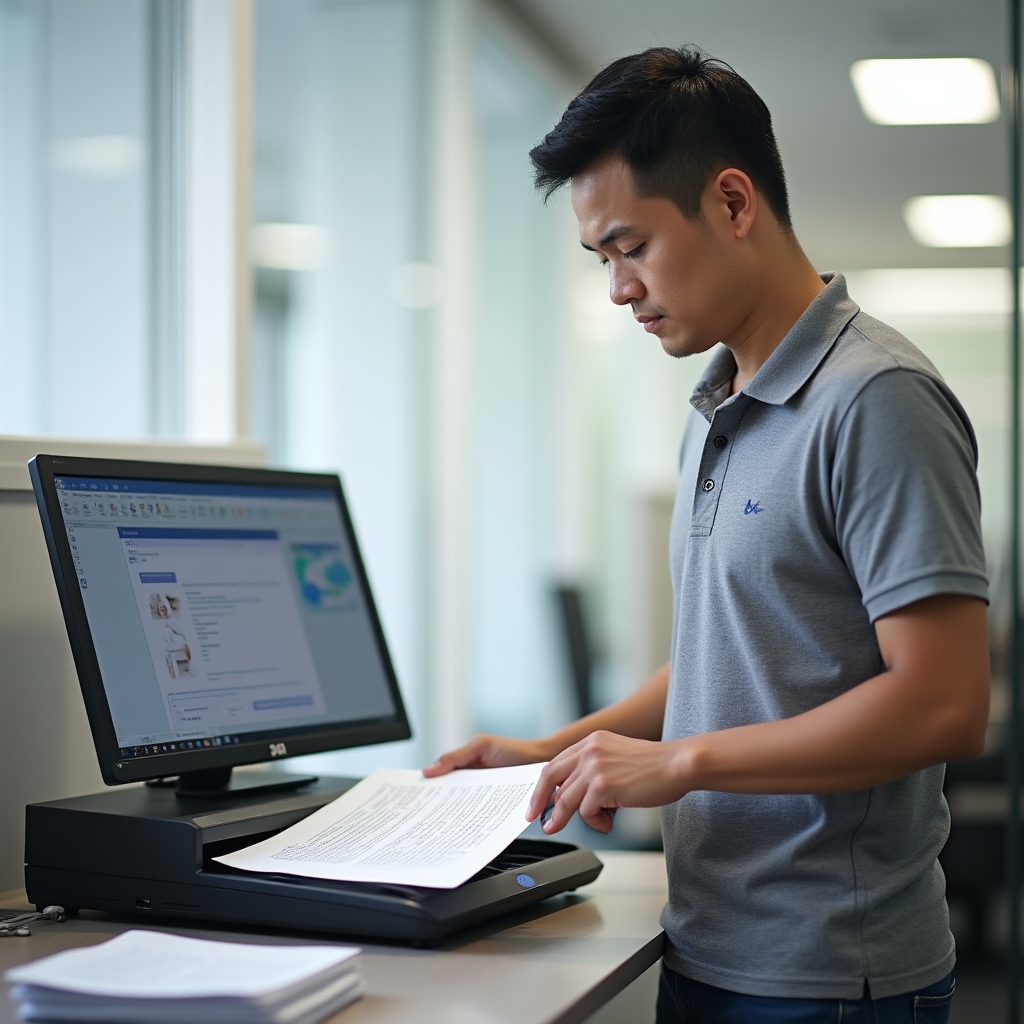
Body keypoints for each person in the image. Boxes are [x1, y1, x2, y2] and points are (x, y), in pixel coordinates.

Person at [425, 46, 990, 1023]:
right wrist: (557, 749)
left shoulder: (876, 399)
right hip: (710, 940)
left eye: (630, 246)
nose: (616, 289)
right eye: (599, 259)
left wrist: (675, 763)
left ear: (732, 204)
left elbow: (942, 705)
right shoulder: (718, 404)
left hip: (828, 975)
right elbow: (731, 659)